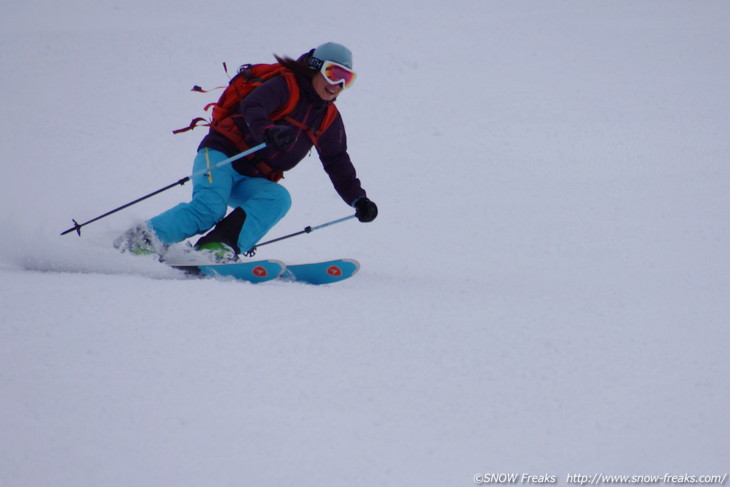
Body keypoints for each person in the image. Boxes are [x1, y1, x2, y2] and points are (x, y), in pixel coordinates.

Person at [114, 42, 378, 262]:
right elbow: (255, 105)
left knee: (277, 198)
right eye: (334, 74)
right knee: (208, 210)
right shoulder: (287, 84)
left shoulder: (328, 117)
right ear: (314, 67)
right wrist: (267, 131)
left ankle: (215, 248)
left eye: (347, 79)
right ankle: (139, 241)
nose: (338, 85)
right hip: (222, 155)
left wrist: (358, 200)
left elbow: (336, 160)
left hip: (252, 177)